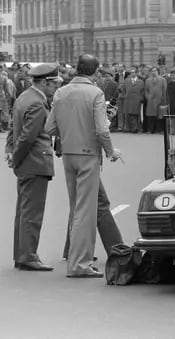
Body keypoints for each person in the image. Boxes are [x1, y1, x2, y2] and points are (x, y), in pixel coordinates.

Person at [45, 54, 121, 278]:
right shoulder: (95, 93)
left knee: (78, 206)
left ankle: (77, 257)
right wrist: (111, 152)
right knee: (85, 211)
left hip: (69, 153)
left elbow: (50, 128)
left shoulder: (61, 91)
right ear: (94, 71)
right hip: (88, 154)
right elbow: (101, 130)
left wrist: (70, 131)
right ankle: (79, 263)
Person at [4, 63, 60, 271]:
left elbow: (13, 127)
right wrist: (16, 156)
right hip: (34, 161)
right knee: (32, 213)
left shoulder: (24, 97)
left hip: (26, 162)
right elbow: (28, 137)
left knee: (23, 211)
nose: (55, 88)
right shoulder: (37, 102)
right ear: (44, 82)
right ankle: (28, 256)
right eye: (53, 84)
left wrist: (10, 150)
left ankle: (22, 254)